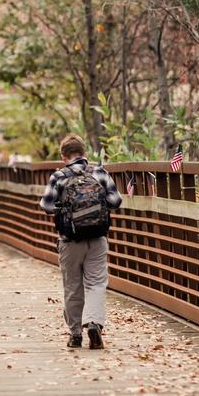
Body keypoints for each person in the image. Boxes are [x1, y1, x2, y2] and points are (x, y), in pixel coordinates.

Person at [39, 134, 122, 349]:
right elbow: (116, 201)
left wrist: (65, 208)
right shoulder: (99, 172)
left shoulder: (59, 176)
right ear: (84, 154)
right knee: (95, 284)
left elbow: (47, 206)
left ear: (63, 156)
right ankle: (94, 323)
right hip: (97, 238)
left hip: (69, 240)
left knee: (73, 286)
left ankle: (75, 334)